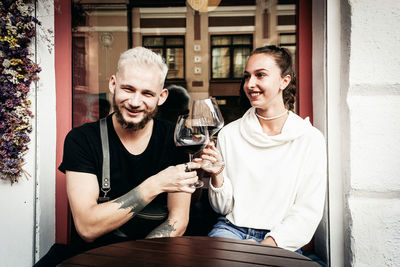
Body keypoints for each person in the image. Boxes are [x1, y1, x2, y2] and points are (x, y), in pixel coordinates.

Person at [35, 47, 200, 266]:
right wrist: (155, 185)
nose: (135, 101)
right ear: (113, 84)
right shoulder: (82, 139)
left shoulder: (176, 139)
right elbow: (87, 228)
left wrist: (135, 260)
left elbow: (177, 221)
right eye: (128, 89)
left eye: (147, 93)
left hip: (154, 255)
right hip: (90, 255)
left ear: (161, 97)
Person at [199, 45, 327, 252]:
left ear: (284, 81)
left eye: (260, 75)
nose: (250, 84)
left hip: (280, 239)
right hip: (230, 230)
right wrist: (217, 175)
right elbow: (222, 208)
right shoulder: (229, 134)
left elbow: (307, 212)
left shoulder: (309, 139)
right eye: (247, 76)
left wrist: (266, 247)